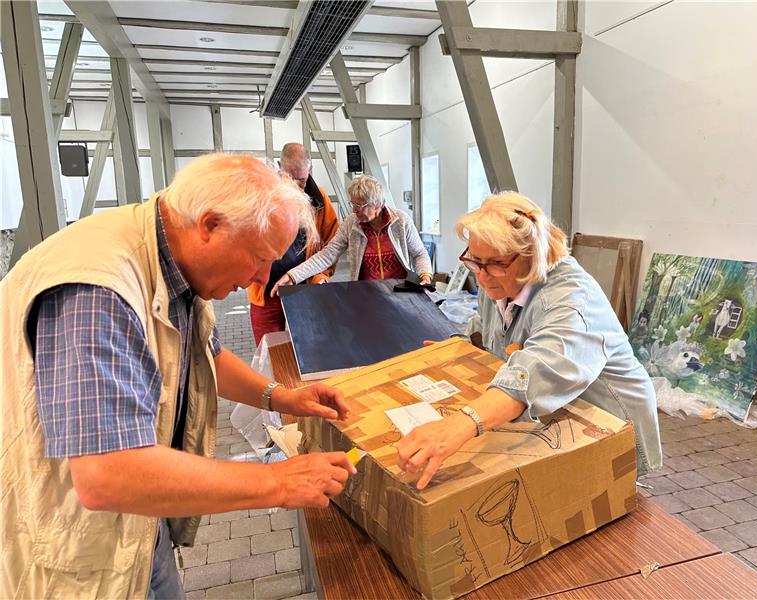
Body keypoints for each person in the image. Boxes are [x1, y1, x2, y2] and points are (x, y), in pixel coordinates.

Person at [0, 153, 356, 599]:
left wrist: (282, 398)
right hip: (80, 554)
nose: (262, 277)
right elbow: (106, 474)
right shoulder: (98, 292)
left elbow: (205, 355)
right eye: (259, 257)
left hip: (141, 526)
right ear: (210, 225)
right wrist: (279, 482)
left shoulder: (172, 257)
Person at [396, 192, 662, 489]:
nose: (482, 276)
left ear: (531, 254)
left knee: (611, 491)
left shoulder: (571, 299)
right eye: (475, 261)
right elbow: (486, 330)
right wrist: (459, 347)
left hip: (609, 417)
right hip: (562, 413)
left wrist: (459, 425)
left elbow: (537, 371)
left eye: (494, 263)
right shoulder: (498, 280)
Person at [271, 174, 432, 295]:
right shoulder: (351, 223)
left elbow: (419, 253)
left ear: (377, 204)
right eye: (352, 204)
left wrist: (425, 275)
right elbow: (327, 255)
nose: (354, 210)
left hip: (401, 294)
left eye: (359, 205)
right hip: (368, 296)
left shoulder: (401, 221)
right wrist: (292, 276)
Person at [248, 143, 339, 344]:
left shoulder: (319, 200)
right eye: (291, 179)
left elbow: (332, 244)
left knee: (311, 347)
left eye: (302, 180)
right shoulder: (262, 197)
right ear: (280, 167)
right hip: (267, 292)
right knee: (269, 351)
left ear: (310, 168)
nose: (297, 187)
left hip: (306, 290)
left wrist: (321, 277)